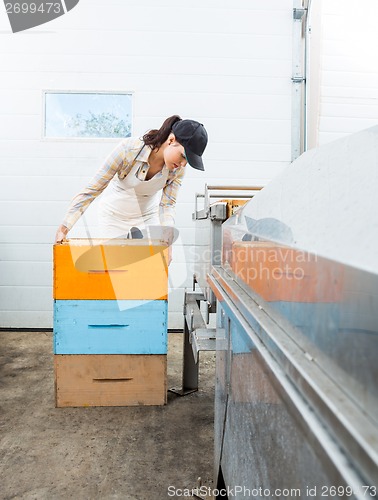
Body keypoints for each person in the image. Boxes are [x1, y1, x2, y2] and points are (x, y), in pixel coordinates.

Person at [54, 115, 208, 249]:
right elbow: (93, 189)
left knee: (147, 271)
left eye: (188, 161)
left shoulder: (177, 169)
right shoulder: (128, 150)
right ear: (171, 139)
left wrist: (168, 241)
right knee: (114, 271)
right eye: (183, 156)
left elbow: (167, 205)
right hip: (113, 217)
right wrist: (64, 227)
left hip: (146, 218)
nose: (183, 164)